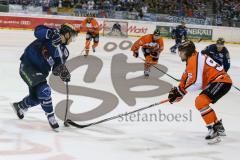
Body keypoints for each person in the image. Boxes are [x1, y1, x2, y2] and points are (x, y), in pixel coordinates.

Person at [11, 23, 78, 131]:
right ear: (66, 34)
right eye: (72, 36)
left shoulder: (64, 52)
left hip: (40, 74)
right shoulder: (51, 32)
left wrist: (62, 72)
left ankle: (20, 106)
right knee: (45, 91)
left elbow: (56, 69)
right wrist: (50, 34)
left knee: (37, 98)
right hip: (28, 66)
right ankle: (51, 116)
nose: (72, 40)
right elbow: (37, 30)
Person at [168, 40, 232, 143]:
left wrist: (180, 92)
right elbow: (185, 78)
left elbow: (196, 83)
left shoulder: (195, 59)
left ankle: (213, 130)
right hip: (219, 81)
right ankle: (218, 126)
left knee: (200, 102)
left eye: (181, 52)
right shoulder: (193, 59)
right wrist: (178, 92)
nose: (179, 54)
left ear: (187, 51)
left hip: (221, 81)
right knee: (201, 101)